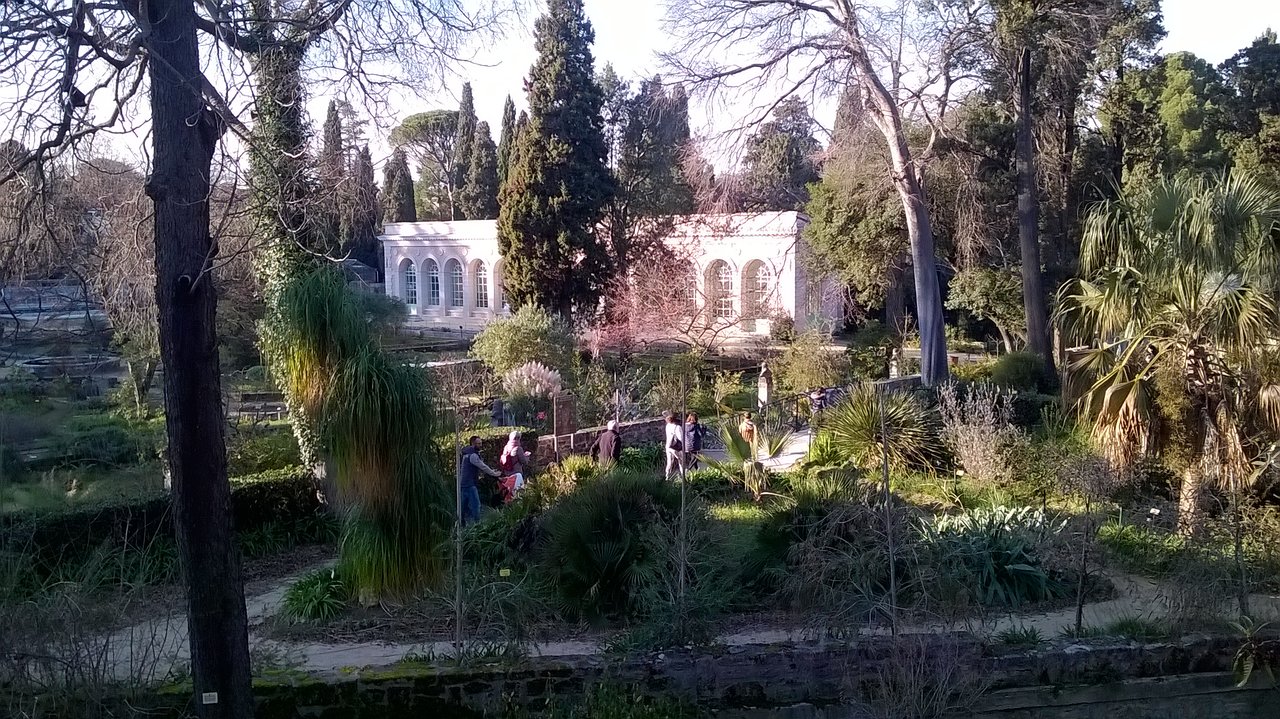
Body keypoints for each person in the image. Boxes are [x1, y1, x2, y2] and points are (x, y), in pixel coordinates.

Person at [459, 435, 501, 525]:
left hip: (463, 483)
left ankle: (461, 523)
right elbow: (483, 466)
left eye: (481, 443)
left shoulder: (466, 454)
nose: (480, 445)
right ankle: (477, 525)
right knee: (476, 505)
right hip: (470, 484)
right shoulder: (473, 455)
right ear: (473, 444)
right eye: (478, 444)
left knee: (463, 506)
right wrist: (494, 474)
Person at [498, 430, 532, 498]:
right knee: (518, 493)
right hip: (516, 474)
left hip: (507, 474)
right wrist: (527, 456)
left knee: (509, 492)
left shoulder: (506, 447)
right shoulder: (518, 449)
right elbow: (523, 461)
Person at [664, 413, 685, 479]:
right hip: (676, 447)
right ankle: (683, 476)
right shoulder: (677, 427)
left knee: (669, 462)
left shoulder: (667, 426)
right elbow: (681, 438)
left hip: (668, 446)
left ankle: (667, 476)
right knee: (681, 461)